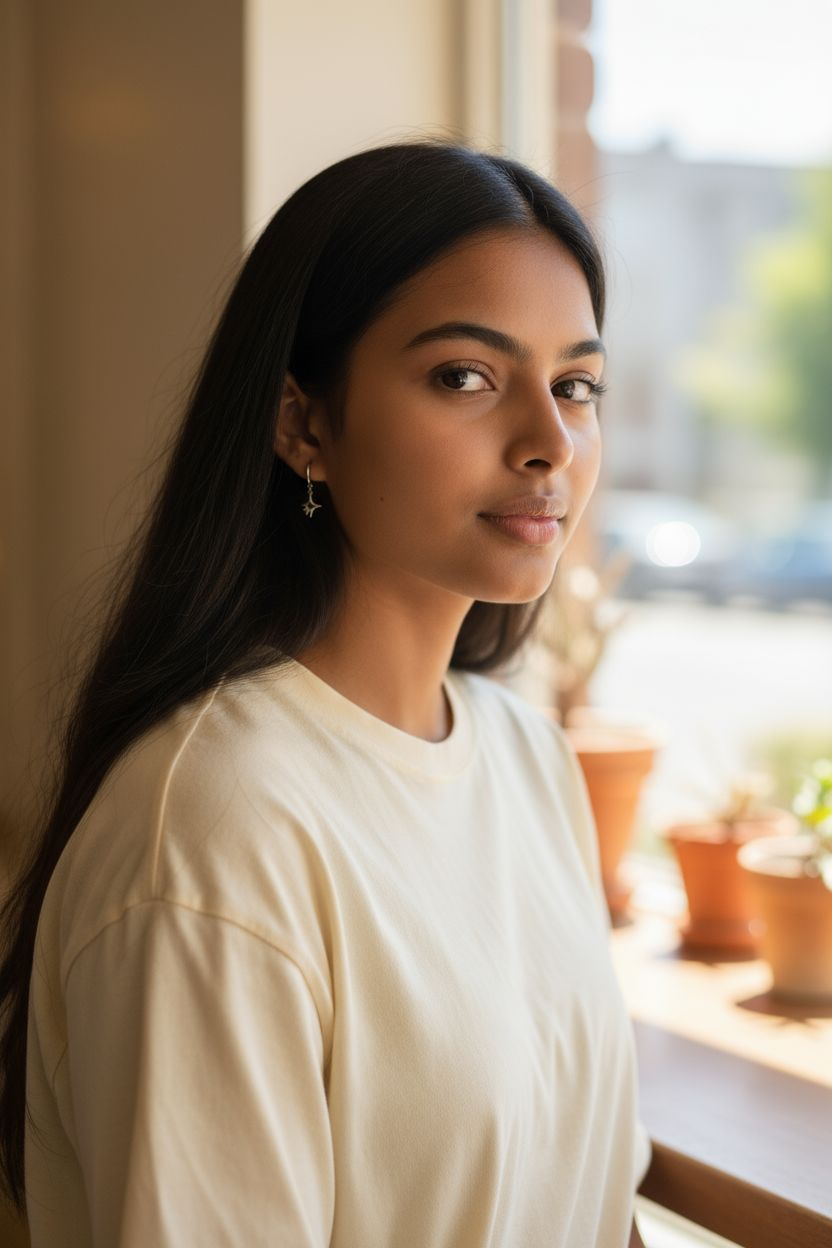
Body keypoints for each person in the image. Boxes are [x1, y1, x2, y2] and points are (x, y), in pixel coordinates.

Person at [0, 138, 651, 1246]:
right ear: (303, 421)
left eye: (576, 385)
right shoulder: (212, 830)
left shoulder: (525, 755)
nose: (550, 442)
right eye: (466, 377)